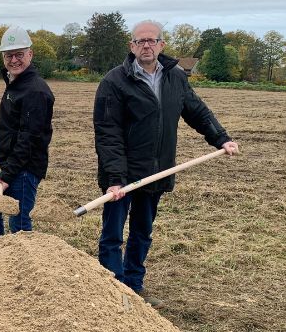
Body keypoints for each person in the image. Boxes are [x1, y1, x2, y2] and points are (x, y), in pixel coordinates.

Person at [93, 20, 240, 309]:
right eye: (140, 41)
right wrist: (115, 178)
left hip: (157, 171)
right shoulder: (114, 81)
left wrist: (221, 139)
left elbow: (197, 111)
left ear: (161, 44)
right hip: (121, 175)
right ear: (132, 46)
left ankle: (134, 286)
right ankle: (112, 292)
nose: (146, 45)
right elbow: (107, 132)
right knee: (113, 235)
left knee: (141, 233)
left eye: (152, 40)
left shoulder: (175, 77)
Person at [0, 26, 55, 237]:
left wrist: (6, 176)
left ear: (30, 54)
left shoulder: (35, 91)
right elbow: (17, 122)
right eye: (9, 55)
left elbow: (29, 139)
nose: (14, 60)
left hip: (24, 167)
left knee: (19, 223)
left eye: (19, 54)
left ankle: (23, 258)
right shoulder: (16, 82)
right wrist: (1, 137)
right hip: (11, 161)